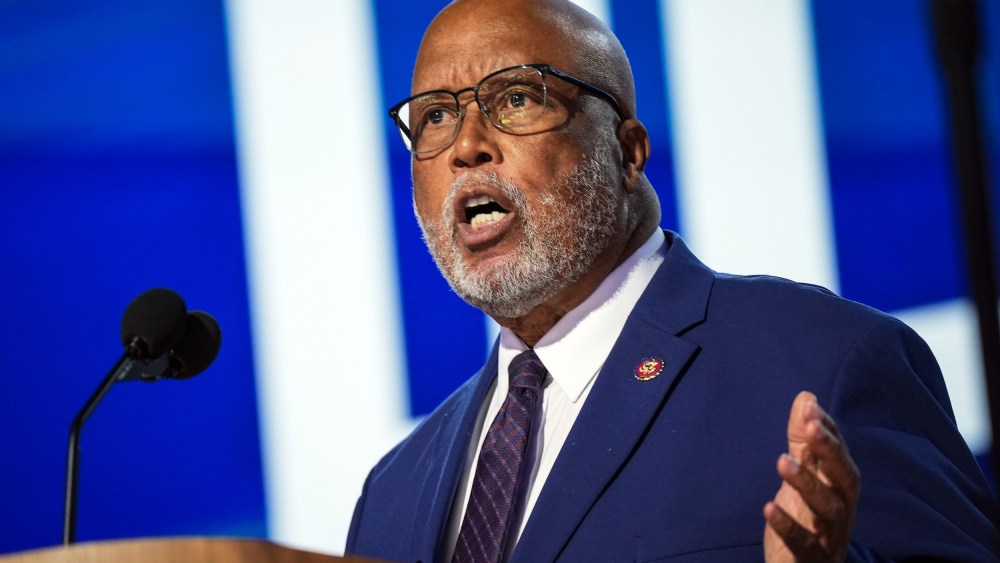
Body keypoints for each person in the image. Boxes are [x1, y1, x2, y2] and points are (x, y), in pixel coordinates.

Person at [346, 0, 1000, 560]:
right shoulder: (391, 495)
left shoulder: (824, 365)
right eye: (434, 116)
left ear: (626, 152)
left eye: (516, 98)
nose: (465, 145)